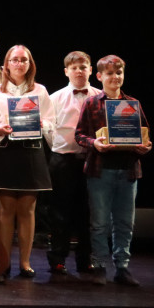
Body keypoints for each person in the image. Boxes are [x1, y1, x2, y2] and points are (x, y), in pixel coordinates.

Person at [75, 54, 151, 287]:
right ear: (99, 76)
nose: (115, 77)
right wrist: (94, 144)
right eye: (109, 73)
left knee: (124, 223)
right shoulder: (91, 103)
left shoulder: (132, 104)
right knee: (99, 223)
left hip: (128, 172)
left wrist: (145, 146)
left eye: (119, 73)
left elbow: (145, 135)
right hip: (100, 171)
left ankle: (122, 268)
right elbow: (79, 135)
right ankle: (99, 266)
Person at [0, 45, 54, 278]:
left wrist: (42, 125)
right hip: (6, 151)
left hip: (31, 152)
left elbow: (51, 123)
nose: (19, 64)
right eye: (15, 60)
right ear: (6, 64)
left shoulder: (40, 91)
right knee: (5, 210)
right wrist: (0, 128)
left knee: (27, 210)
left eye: (24, 60)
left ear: (30, 64)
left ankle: (25, 263)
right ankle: (4, 261)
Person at [47, 51, 100, 277]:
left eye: (83, 66)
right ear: (66, 71)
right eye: (74, 67)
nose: (79, 71)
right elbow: (48, 129)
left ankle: (85, 260)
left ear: (90, 70)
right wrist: (60, 147)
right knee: (60, 211)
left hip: (93, 159)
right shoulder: (55, 97)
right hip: (64, 160)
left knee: (88, 212)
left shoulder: (101, 96)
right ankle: (58, 258)